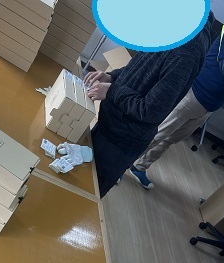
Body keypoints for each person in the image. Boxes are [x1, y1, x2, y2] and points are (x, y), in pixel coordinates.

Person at [84, 11, 214, 199]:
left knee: (87, 192)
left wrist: (112, 90)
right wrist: (112, 77)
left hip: (120, 139)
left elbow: (150, 110)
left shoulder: (188, 49)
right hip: (110, 123)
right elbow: (140, 66)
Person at [130, 22, 224, 190]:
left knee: (171, 139)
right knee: (157, 134)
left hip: (209, 106)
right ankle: (119, 165)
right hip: (194, 93)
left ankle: (139, 167)